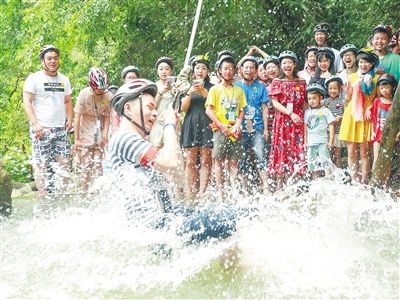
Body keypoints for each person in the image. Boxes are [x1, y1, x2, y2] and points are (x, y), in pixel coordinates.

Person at [105, 79, 236, 243]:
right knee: (237, 218)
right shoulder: (124, 139)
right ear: (128, 108)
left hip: (166, 217)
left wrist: (171, 128)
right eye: (150, 107)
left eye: (155, 108)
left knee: (231, 212)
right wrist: (168, 125)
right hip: (154, 227)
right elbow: (173, 165)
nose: (155, 113)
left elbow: (177, 174)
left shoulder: (138, 143)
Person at [23, 45, 73, 199]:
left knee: (64, 162)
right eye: (49, 58)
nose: (53, 61)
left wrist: (70, 119)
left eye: (55, 58)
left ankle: (61, 196)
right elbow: (27, 102)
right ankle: (43, 196)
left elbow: (67, 101)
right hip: (41, 128)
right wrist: (35, 124)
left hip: (60, 128)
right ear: (43, 61)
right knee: (41, 164)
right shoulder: (34, 78)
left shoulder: (64, 79)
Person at [205, 54, 247, 198]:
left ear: (235, 71)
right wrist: (221, 125)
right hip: (220, 130)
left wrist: (239, 123)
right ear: (220, 71)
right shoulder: (215, 89)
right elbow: (208, 110)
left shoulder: (239, 90)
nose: (228, 71)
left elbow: (242, 110)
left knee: (234, 161)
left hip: (235, 130)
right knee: (219, 161)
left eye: (230, 69)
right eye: (225, 69)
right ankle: (221, 192)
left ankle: (234, 190)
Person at [339, 48, 379, 184]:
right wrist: (348, 89)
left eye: (366, 63)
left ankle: (363, 181)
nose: (363, 65)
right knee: (351, 151)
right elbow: (347, 98)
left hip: (366, 116)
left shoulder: (376, 78)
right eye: (361, 62)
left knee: (364, 152)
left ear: (372, 64)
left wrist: (370, 107)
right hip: (351, 115)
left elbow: (379, 99)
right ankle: (354, 180)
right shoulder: (353, 77)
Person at [268, 50, 307, 190]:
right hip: (283, 120)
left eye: (289, 62)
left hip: (298, 121)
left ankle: (295, 186)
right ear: (280, 65)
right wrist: (290, 113)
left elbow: (305, 103)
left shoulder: (302, 82)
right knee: (281, 150)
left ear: (295, 64)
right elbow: (275, 103)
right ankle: (279, 187)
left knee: (296, 149)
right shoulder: (277, 81)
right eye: (284, 63)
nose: (287, 65)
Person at [179, 55, 214, 198]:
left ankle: (203, 192)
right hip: (191, 123)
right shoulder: (187, 86)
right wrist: (190, 92)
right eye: (198, 68)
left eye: (204, 68)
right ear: (193, 70)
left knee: (206, 160)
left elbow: (215, 107)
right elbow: (183, 108)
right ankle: (189, 191)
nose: (200, 71)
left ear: (207, 72)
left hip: (207, 123)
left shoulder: (212, 88)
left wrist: (206, 94)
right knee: (190, 161)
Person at [234, 56, 270, 193]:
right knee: (242, 157)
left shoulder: (261, 87)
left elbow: (265, 108)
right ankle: (244, 187)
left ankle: (265, 186)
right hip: (240, 128)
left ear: (256, 71)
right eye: (246, 67)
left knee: (260, 156)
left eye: (252, 67)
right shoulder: (236, 86)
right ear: (241, 69)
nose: (249, 70)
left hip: (258, 127)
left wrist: (266, 129)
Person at [73, 67, 111, 192]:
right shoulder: (84, 94)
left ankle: (99, 194)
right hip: (85, 127)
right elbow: (77, 117)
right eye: (98, 90)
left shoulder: (108, 95)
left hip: (98, 127)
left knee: (98, 164)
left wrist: (105, 133)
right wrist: (77, 139)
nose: (100, 92)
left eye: (102, 90)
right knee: (86, 165)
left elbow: (107, 116)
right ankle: (84, 192)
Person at [304, 83, 335, 178]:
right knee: (312, 163)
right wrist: (305, 142)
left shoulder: (325, 111)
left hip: (322, 141)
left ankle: (329, 180)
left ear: (320, 98)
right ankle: (315, 181)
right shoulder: (307, 112)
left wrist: (331, 140)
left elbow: (331, 125)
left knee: (326, 162)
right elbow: (305, 127)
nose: (312, 101)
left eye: (314, 98)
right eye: (309, 99)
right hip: (311, 142)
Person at [368, 74, 397, 169]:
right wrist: (372, 132)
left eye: (387, 87)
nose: (384, 90)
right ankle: (373, 180)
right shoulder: (377, 101)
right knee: (376, 157)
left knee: (387, 159)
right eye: (382, 88)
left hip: (391, 135)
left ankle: (385, 181)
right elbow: (373, 118)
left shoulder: (395, 103)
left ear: (392, 88)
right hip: (378, 134)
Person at [149, 57, 176, 147]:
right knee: (155, 150)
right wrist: (160, 93)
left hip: (172, 123)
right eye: (161, 69)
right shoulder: (153, 87)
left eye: (167, 69)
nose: (164, 71)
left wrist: (176, 93)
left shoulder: (177, 87)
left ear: (171, 71)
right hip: (157, 123)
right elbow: (150, 106)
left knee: (171, 150)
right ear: (157, 71)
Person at [324, 75, 345, 168]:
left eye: (335, 88)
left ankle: (339, 172)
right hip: (327, 132)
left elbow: (346, 115)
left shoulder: (342, 102)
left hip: (338, 132)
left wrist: (341, 117)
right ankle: (330, 172)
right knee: (328, 154)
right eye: (330, 88)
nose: (333, 91)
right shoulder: (325, 102)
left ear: (339, 89)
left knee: (338, 154)